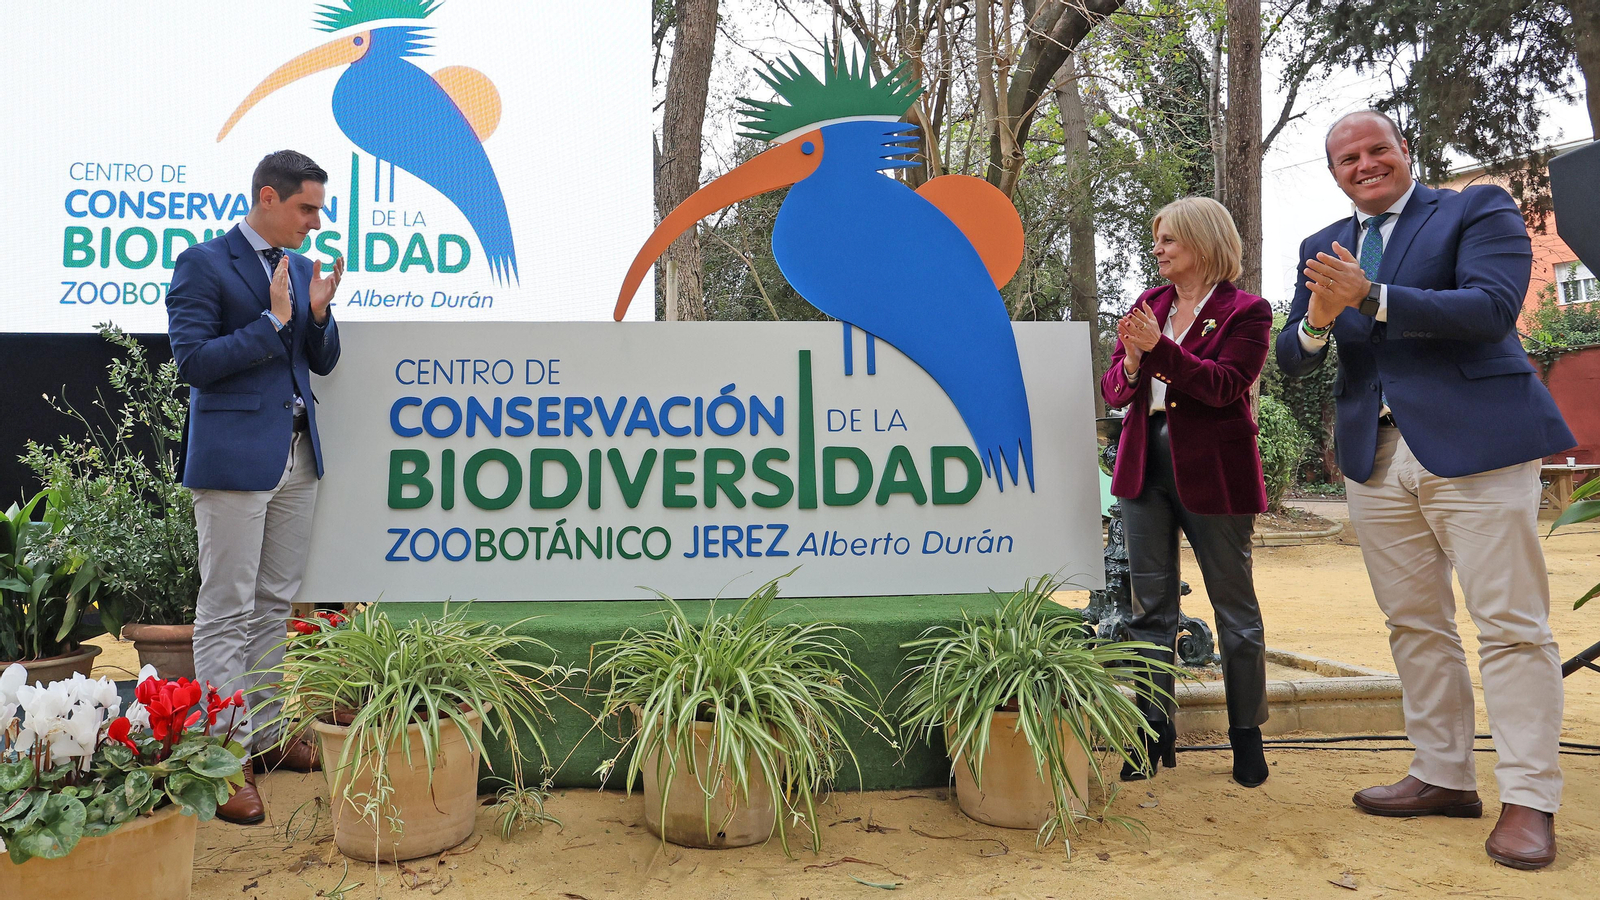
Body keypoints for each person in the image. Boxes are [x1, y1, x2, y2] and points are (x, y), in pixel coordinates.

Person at [1276, 110, 1574, 870]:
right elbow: (1295, 357)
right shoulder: (1321, 246)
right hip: (1374, 457)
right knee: (1413, 623)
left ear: (1405, 151)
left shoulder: (1475, 208)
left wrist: (1372, 294)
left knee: (1510, 625)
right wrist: (1317, 322)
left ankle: (1529, 797)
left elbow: (1492, 308)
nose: (1365, 164)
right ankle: (1443, 774)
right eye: (1347, 158)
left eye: (1378, 149)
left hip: (1476, 443)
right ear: (1334, 172)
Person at [166, 150, 345, 825]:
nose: (315, 222)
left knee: (274, 602)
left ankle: (266, 735)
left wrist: (317, 317)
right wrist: (270, 324)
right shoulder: (203, 263)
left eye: (319, 209)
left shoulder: (300, 268)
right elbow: (194, 362)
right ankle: (224, 757)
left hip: (298, 456)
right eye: (306, 208)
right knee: (227, 607)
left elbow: (322, 361)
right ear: (267, 197)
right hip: (235, 461)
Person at [1102, 196, 1274, 788]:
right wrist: (1131, 362)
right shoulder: (1148, 305)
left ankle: (1246, 734)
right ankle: (1153, 733)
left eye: (1168, 239)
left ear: (1202, 243)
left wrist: (1159, 351)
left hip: (1215, 471)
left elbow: (1224, 386)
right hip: (1143, 465)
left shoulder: (1247, 312)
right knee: (1148, 609)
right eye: (1157, 239)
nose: (1157, 249)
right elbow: (1114, 391)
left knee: (1234, 608)